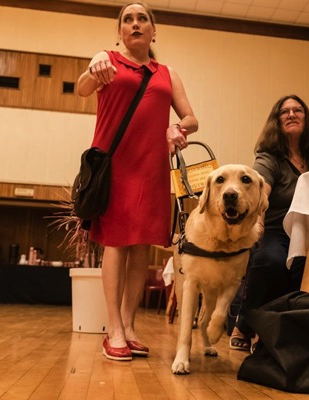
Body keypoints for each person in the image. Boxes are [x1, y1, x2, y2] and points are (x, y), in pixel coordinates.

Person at [76, 1, 198, 361]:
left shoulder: (167, 73)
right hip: (115, 168)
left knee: (142, 245)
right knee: (115, 244)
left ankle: (129, 327)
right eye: (127, 19)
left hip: (152, 168)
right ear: (119, 32)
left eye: (142, 18)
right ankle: (112, 327)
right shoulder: (107, 63)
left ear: (153, 30)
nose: (135, 23)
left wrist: (177, 127)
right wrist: (95, 60)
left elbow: (191, 117)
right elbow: (83, 89)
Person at [229, 95, 309, 351]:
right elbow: (259, 192)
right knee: (271, 261)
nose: (291, 114)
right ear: (276, 121)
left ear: (306, 118)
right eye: (284, 111)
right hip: (278, 229)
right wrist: (259, 225)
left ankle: (286, 331)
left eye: (298, 110)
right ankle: (245, 323)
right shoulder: (270, 157)